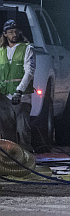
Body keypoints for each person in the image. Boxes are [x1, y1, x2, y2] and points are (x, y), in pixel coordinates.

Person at [0, 19, 36, 151]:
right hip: (4, 97)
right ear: (5, 34)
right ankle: (11, 162)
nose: (14, 34)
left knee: (23, 130)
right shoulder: (1, 51)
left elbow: (29, 71)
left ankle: (26, 160)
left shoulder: (27, 49)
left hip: (21, 98)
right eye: (10, 32)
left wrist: (19, 91)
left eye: (15, 31)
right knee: (6, 133)